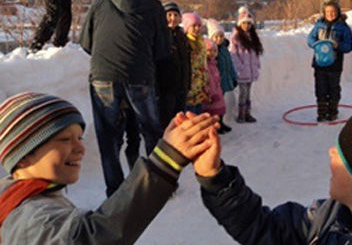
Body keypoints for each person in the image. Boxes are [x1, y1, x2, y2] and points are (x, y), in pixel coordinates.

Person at [191, 91, 352, 244]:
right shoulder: (331, 217)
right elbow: (266, 229)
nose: (331, 153)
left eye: (342, 153)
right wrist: (214, 176)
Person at [0, 92, 218, 244]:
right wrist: (165, 162)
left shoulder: (19, 195)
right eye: (65, 139)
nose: (80, 148)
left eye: (80, 138)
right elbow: (92, 237)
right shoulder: (32, 219)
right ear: (23, 156)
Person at [80, 0, 171, 197]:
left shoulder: (102, 0)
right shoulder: (154, 6)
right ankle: (157, 185)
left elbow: (86, 41)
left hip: (102, 75)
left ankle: (115, 191)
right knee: (150, 130)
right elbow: (163, 50)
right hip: (139, 76)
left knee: (108, 136)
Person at [307, 0, 352, 121]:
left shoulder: (343, 27)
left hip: (335, 64)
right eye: (328, 12)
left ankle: (333, 111)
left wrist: (338, 46)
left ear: (338, 12)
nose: (330, 14)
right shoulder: (319, 25)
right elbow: (310, 39)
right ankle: (322, 112)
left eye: (333, 11)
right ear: (324, 13)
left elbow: (349, 46)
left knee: (333, 87)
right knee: (320, 87)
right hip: (319, 63)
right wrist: (316, 44)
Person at [158, 2, 192, 131]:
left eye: (176, 15)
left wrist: (187, 83)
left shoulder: (181, 36)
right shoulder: (160, 35)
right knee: (166, 120)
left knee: (179, 118)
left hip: (180, 86)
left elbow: (187, 62)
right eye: (169, 15)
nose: (173, 18)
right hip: (165, 87)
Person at [230, 7, 263, 123]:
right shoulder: (236, 38)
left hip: (251, 71)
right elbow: (234, 55)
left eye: (248, 23)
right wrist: (240, 67)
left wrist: (257, 65)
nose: (246, 26)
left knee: (248, 94)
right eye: (244, 23)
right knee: (243, 93)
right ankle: (241, 114)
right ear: (240, 24)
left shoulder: (253, 37)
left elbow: (256, 54)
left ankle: (248, 113)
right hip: (243, 72)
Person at [207, 20, 238, 127]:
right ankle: (215, 124)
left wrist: (234, 77)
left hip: (224, 81)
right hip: (215, 83)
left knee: (221, 104)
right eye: (216, 37)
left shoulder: (225, 49)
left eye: (221, 36)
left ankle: (220, 122)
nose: (219, 39)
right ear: (211, 38)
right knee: (214, 106)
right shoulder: (211, 52)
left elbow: (230, 65)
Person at [182, 12, 208, 115]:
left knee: (198, 111)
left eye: (199, 25)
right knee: (189, 114)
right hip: (189, 84)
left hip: (199, 84)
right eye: (194, 26)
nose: (197, 28)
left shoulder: (201, 41)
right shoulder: (185, 42)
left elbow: (203, 62)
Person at [203, 38, 230, 133]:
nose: (212, 53)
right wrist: (212, 92)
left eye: (214, 51)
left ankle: (220, 124)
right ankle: (214, 127)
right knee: (213, 111)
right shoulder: (206, 65)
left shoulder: (214, 63)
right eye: (209, 51)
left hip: (218, 90)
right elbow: (209, 81)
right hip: (212, 93)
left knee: (219, 109)